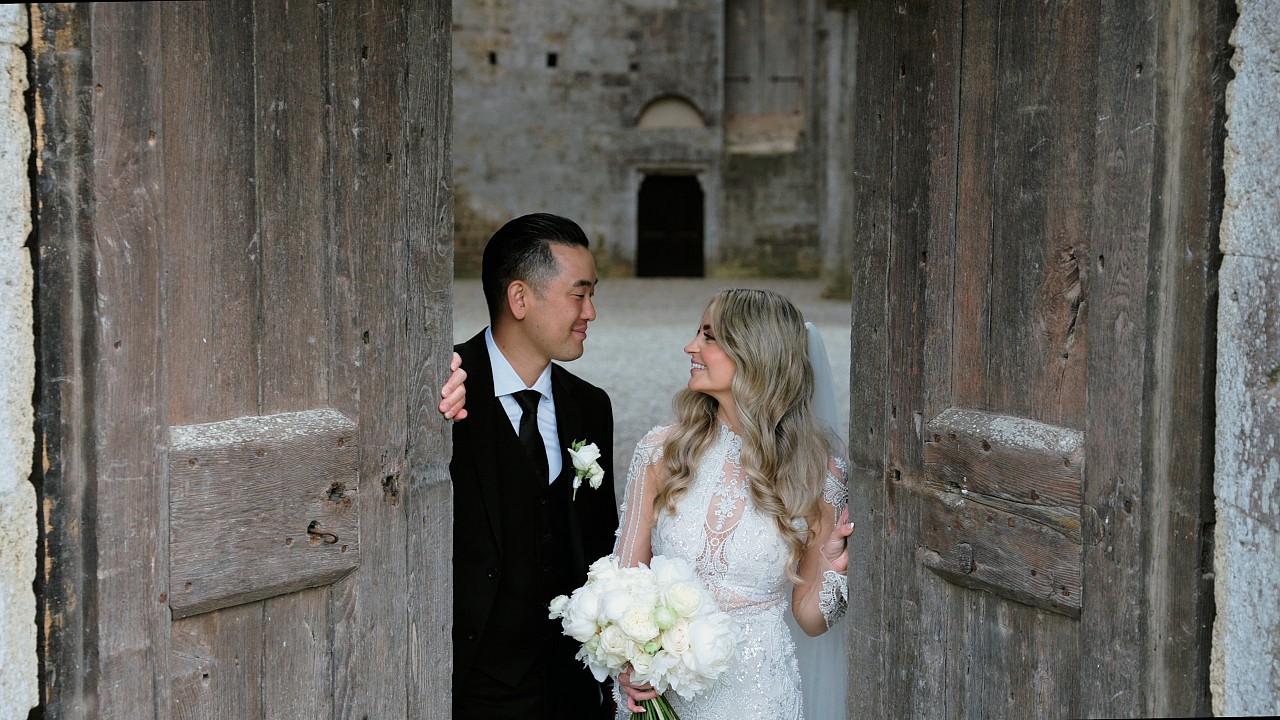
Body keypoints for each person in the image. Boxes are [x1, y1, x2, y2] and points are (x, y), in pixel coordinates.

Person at [614, 288, 852, 720]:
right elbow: (623, 583)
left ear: (754, 351)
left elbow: (809, 619)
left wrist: (834, 570)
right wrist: (626, 669)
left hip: (760, 698)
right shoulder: (660, 453)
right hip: (666, 696)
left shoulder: (818, 475)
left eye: (709, 336)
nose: (691, 347)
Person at [451, 213, 618, 719]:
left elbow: (599, 542)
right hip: (471, 685)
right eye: (579, 294)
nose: (591, 312)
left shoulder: (590, 406)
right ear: (520, 299)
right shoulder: (442, 391)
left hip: (569, 689)